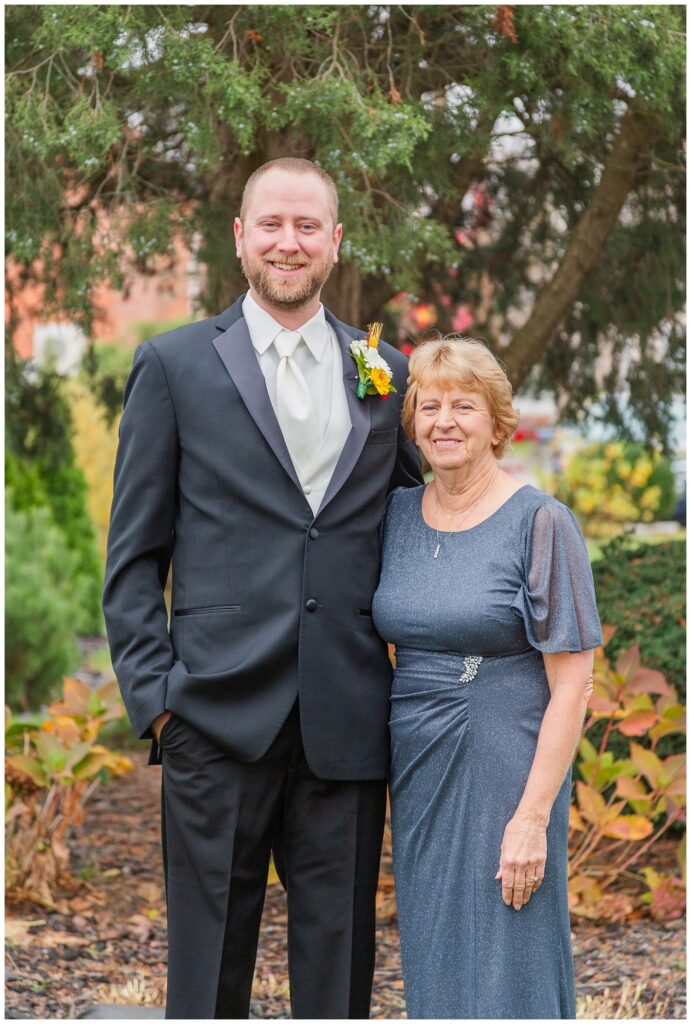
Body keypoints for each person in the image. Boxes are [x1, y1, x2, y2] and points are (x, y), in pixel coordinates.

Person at [102, 157, 423, 1019]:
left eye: (307, 226)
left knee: (339, 976)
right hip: (213, 717)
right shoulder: (173, 367)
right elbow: (133, 554)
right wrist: (159, 699)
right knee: (206, 980)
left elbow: (425, 519)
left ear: (334, 243)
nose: (289, 242)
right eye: (272, 225)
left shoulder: (383, 370)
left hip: (346, 721)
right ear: (241, 238)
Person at [372, 337, 602, 1019]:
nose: (443, 421)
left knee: (509, 947)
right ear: (411, 423)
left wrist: (530, 819)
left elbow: (573, 684)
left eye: (463, 406)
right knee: (434, 941)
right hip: (417, 762)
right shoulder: (394, 518)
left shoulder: (539, 522)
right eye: (429, 405)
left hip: (504, 756)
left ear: (497, 424)